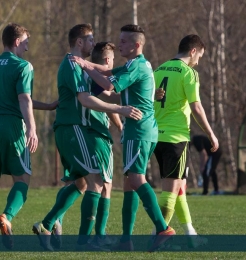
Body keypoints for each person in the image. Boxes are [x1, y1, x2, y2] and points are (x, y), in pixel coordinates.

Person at [32, 24, 142, 252]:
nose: (93, 44)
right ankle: (86, 240)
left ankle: (47, 224)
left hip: (74, 129)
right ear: (79, 42)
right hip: (75, 129)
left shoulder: (79, 66)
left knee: (83, 183)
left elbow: (107, 92)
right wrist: (120, 111)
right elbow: (85, 99)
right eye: (90, 40)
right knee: (96, 182)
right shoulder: (73, 64)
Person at [70, 24, 175, 252]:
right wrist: (88, 65)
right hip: (144, 130)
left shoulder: (136, 66)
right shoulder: (135, 64)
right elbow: (107, 72)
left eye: (124, 42)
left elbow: (108, 83)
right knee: (129, 184)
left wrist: (84, 66)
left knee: (136, 179)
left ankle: (162, 228)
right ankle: (126, 240)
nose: (120, 45)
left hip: (138, 131)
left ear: (137, 45)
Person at [51, 41, 123, 250]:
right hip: (96, 135)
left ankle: (57, 219)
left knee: (76, 182)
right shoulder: (96, 79)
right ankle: (97, 235)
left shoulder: (84, 72)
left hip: (76, 134)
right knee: (103, 184)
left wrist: (118, 124)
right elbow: (109, 98)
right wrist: (122, 119)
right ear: (108, 60)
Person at [153, 34, 219, 248]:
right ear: (192, 51)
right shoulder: (188, 72)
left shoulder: (159, 69)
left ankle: (191, 234)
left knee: (179, 185)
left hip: (156, 136)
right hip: (176, 138)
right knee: (170, 191)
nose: (198, 61)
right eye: (199, 56)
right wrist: (211, 134)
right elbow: (196, 107)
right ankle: (158, 235)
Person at [0, 23, 58, 250]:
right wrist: (32, 129)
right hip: (13, 127)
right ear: (16, 42)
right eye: (25, 42)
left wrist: (48, 106)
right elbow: (23, 99)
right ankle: (6, 217)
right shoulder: (23, 66)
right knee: (22, 179)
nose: (27, 47)